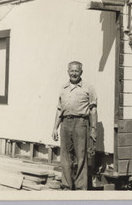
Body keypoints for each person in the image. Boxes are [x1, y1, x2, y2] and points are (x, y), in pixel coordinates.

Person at [52, 61, 97, 190]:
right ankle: (66, 185)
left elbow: (93, 110)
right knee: (65, 156)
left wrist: (93, 129)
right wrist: (55, 127)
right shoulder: (63, 88)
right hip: (65, 123)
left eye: (77, 71)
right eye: (72, 71)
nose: (74, 73)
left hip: (80, 123)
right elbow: (59, 110)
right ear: (68, 72)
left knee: (81, 156)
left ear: (81, 72)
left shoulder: (88, 87)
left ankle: (80, 187)